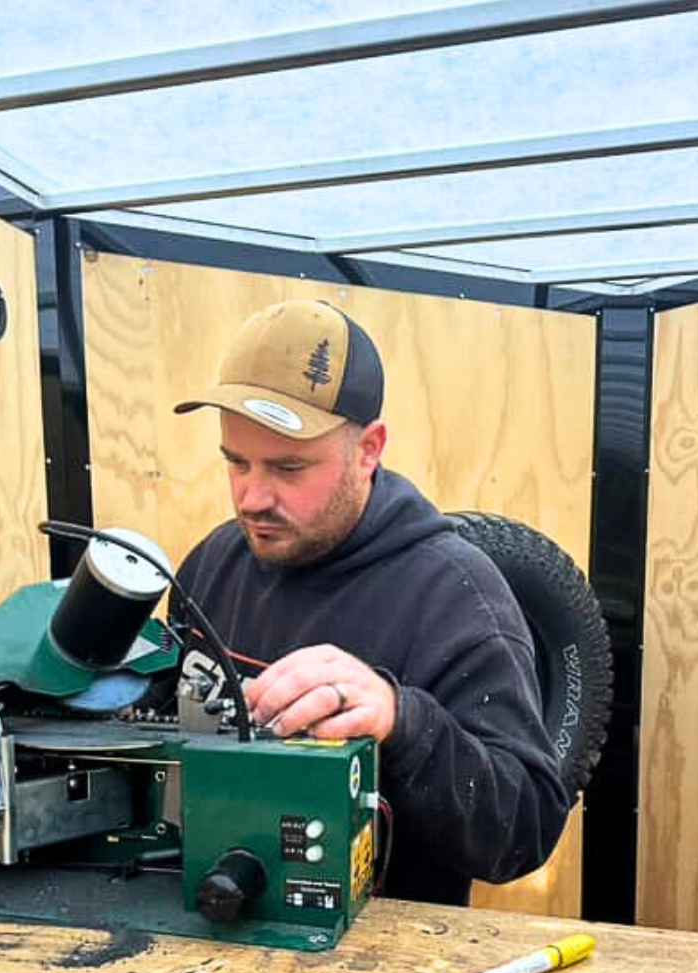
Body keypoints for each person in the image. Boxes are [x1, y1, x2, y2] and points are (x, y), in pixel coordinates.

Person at [170, 298, 567, 905]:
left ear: (369, 448)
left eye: (288, 468)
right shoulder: (212, 564)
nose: (251, 497)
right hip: (208, 927)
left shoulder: (456, 597)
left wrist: (402, 720)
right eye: (236, 462)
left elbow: (526, 829)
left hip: (376, 972)